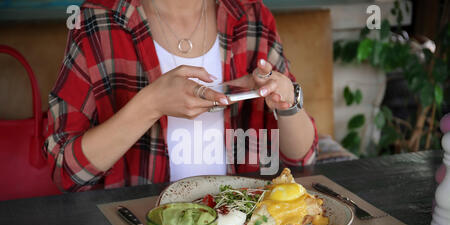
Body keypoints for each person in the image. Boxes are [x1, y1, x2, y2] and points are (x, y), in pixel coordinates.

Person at [44, 0, 318, 192]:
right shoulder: (95, 21)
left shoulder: (253, 15)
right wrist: (151, 104)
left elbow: (303, 158)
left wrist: (287, 103)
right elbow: (65, 171)